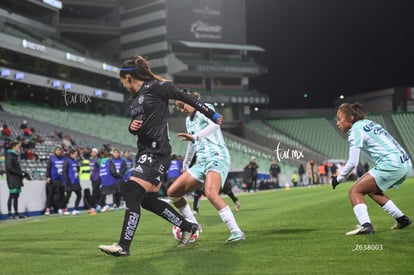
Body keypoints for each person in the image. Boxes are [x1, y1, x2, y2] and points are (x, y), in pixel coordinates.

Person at [99, 54, 222, 257]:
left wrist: (212, 115)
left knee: (132, 191)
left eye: (123, 82)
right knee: (146, 200)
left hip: (157, 152)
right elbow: (138, 127)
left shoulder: (157, 87)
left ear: (128, 78)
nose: (123, 86)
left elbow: (184, 96)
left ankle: (124, 246)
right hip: (145, 152)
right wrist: (132, 128)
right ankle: (187, 226)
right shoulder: (135, 101)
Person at [167, 90, 245, 243]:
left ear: (189, 100)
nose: (181, 110)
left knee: (210, 193)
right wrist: (186, 163)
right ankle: (193, 224)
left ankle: (237, 232)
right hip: (201, 162)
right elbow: (191, 142)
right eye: (178, 108)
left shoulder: (205, 108)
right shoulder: (189, 120)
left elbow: (216, 123)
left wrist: (195, 136)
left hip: (217, 156)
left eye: (182, 105)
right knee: (173, 192)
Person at [332, 102, 412, 235]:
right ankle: (402, 219)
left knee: (354, 191)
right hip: (405, 163)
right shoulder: (368, 123)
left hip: (391, 164)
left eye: (340, 119)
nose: (337, 123)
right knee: (372, 191)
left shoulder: (356, 130)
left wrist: (338, 178)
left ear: (351, 118)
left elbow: (353, 162)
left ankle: (366, 225)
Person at [5, 141, 31, 219]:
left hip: (16, 179)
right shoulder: (10, 155)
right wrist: (20, 174)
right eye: (18, 147)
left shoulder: (14, 156)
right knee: (12, 196)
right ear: (13, 147)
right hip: (12, 179)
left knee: (16, 196)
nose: (19, 148)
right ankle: (9, 214)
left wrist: (23, 173)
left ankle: (16, 213)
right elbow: (10, 168)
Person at [45, 146, 66, 215]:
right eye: (57, 150)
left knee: (62, 195)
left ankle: (62, 208)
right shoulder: (52, 158)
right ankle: (48, 209)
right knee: (50, 195)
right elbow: (48, 168)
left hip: (62, 179)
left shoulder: (64, 158)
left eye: (60, 150)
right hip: (53, 179)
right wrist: (48, 177)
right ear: (55, 151)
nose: (58, 151)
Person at [63, 149, 82, 215]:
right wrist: (67, 181)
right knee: (68, 196)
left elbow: (77, 170)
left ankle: (75, 209)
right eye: (75, 154)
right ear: (71, 154)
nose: (76, 155)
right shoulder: (67, 161)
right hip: (70, 181)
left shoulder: (76, 161)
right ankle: (63, 208)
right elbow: (64, 172)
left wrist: (78, 168)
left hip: (76, 181)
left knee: (79, 195)